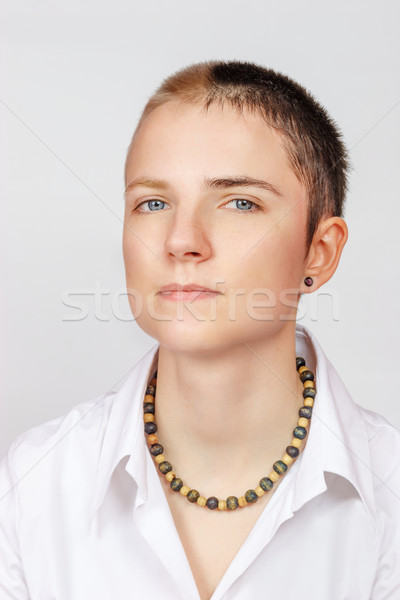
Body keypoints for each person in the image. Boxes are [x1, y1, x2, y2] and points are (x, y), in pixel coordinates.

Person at [1, 60, 399, 600]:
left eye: (239, 202)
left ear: (319, 251)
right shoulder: (30, 483)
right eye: (154, 202)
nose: (181, 240)